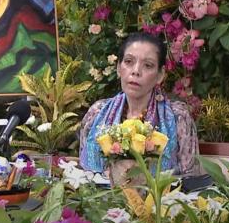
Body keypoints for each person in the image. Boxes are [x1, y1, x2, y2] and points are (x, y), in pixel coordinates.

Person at [80, 32, 200, 176]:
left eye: (148, 65)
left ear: (160, 75)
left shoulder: (178, 117)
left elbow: (191, 178)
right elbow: (83, 176)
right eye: (129, 62)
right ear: (119, 68)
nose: (136, 71)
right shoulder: (97, 113)